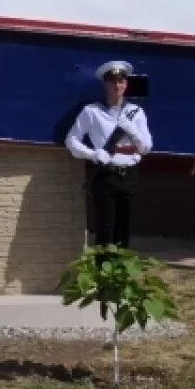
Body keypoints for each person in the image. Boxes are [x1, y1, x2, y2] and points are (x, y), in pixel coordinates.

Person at [64, 60, 153, 249]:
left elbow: (146, 148)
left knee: (125, 228)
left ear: (126, 84)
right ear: (105, 84)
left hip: (130, 174)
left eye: (121, 81)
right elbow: (71, 140)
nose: (117, 86)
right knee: (105, 229)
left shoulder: (136, 112)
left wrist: (131, 130)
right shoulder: (92, 111)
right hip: (106, 175)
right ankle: (103, 267)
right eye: (112, 81)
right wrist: (93, 154)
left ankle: (120, 267)